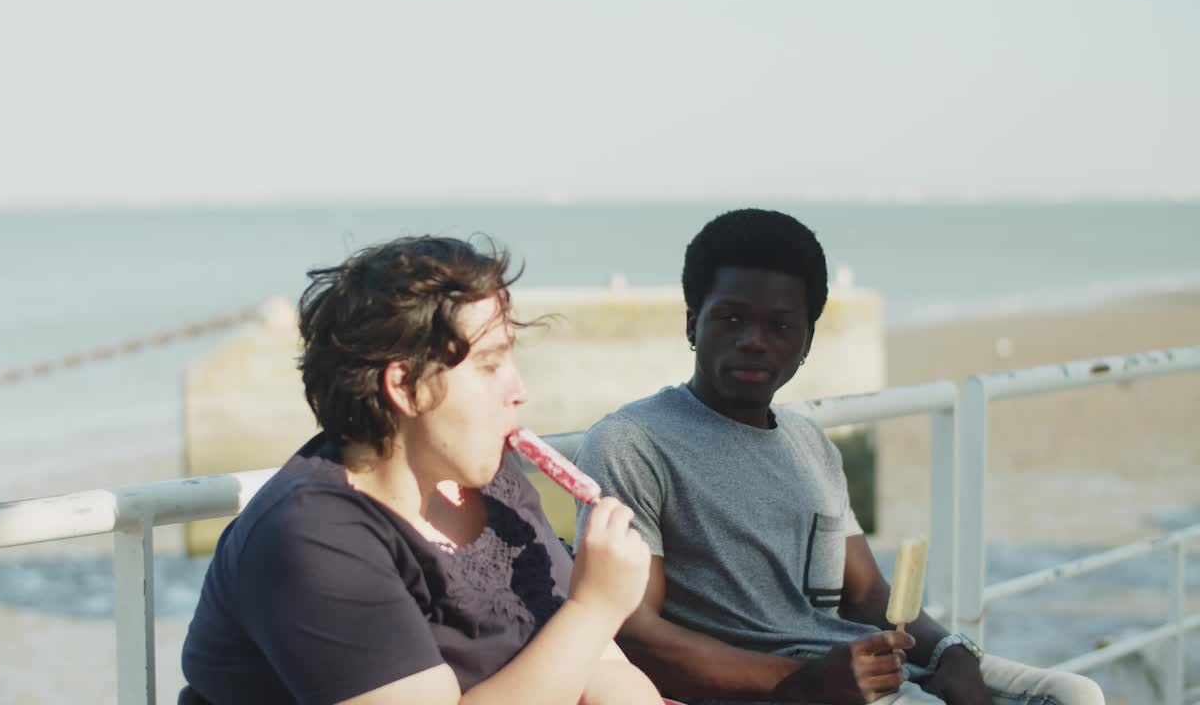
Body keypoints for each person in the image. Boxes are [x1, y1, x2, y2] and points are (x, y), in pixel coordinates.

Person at [574, 210, 1106, 705]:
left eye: (780, 326)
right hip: (792, 689)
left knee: (1073, 692)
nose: (754, 341)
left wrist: (951, 652)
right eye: (732, 319)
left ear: (806, 342)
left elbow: (868, 593)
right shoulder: (633, 441)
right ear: (693, 324)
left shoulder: (812, 446)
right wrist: (805, 683)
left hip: (873, 673)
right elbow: (636, 633)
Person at [181, 235, 659, 705]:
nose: (519, 389)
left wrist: (593, 621)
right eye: (490, 365)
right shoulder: (311, 539)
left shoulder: (488, 476)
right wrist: (594, 606)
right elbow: (582, 632)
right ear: (405, 386)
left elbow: (599, 666)